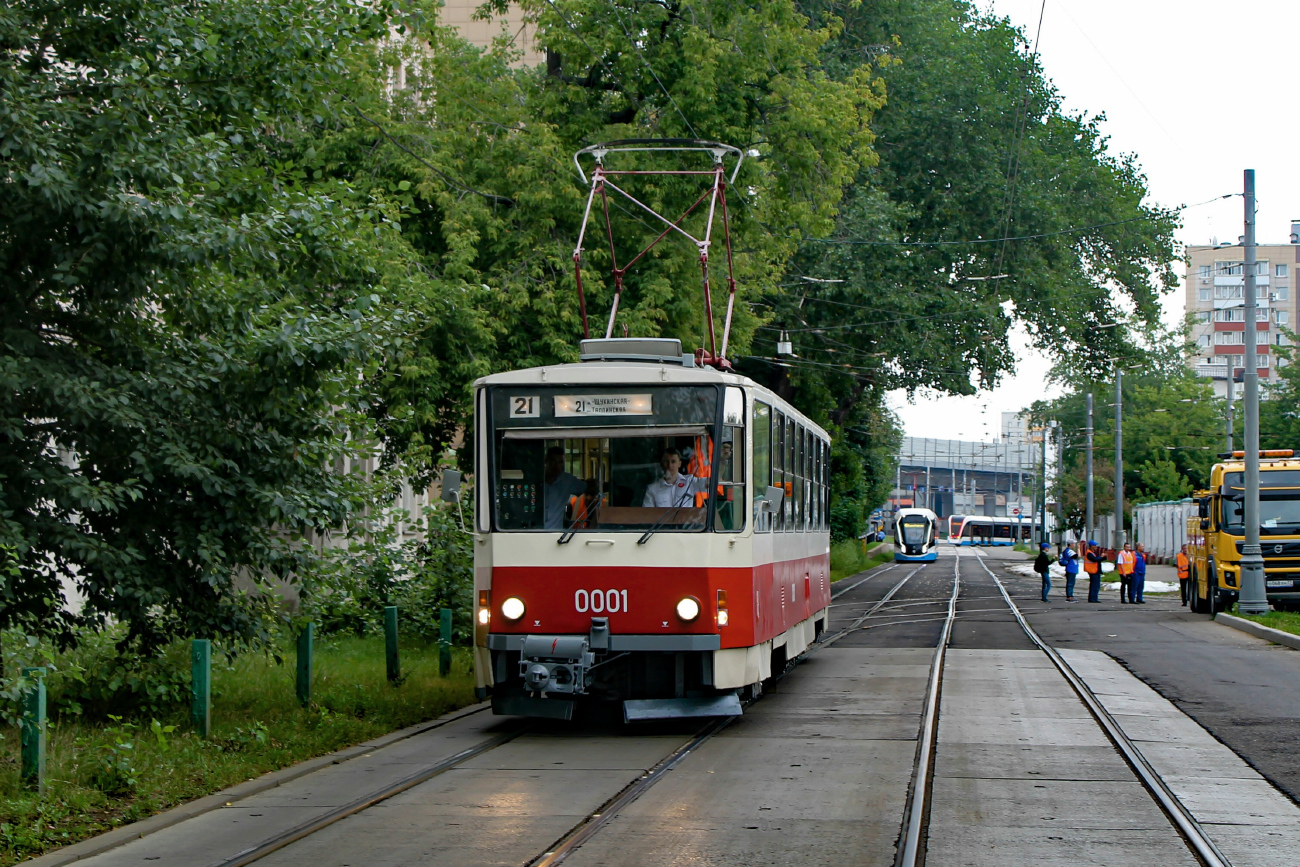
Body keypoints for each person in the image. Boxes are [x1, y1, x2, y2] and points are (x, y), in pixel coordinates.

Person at [544, 446, 592, 530]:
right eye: (553, 461)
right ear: (546, 461)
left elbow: (588, 488)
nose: (556, 465)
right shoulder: (535, 479)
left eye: (560, 462)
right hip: (533, 532)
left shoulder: (567, 480)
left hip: (556, 534)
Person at [642, 447, 706, 508]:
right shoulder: (652, 489)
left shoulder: (690, 482)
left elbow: (708, 484)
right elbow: (647, 513)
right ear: (661, 464)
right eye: (666, 461)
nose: (669, 465)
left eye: (673, 462)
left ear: (679, 464)